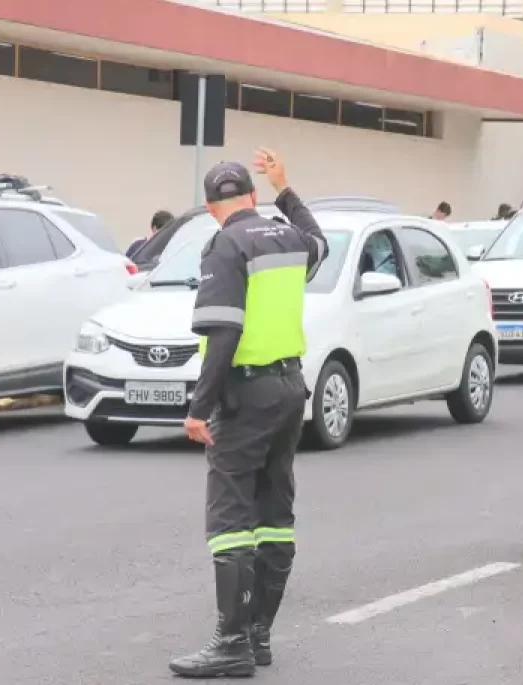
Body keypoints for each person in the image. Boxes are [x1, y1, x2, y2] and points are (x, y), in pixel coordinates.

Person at [168, 148, 328, 678]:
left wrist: (199, 407)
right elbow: (320, 240)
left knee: (231, 520)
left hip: (247, 394)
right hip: (289, 390)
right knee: (275, 513)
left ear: (212, 207)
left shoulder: (225, 245)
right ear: (253, 198)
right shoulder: (287, 237)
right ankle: (259, 634)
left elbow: (224, 333)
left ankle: (231, 642)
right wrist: (287, 187)